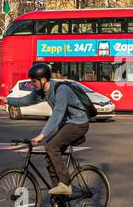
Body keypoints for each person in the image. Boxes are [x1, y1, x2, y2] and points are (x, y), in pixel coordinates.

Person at [26, 62, 90, 198]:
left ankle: (65, 184)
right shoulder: (43, 91)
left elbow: (57, 114)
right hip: (67, 124)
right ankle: (60, 199)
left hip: (78, 123)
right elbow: (25, 100)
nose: (32, 84)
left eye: (34, 81)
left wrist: (42, 134)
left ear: (43, 79)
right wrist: (4, 99)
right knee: (49, 157)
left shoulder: (61, 90)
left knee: (51, 146)